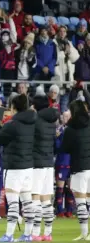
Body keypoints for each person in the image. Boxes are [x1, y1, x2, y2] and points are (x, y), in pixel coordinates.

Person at [0, 94, 36, 242]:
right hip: (28, 166)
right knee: (27, 202)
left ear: (14, 107)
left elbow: (0, 140)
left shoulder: (12, 124)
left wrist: (1, 125)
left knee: (13, 202)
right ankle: (27, 235)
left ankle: (9, 235)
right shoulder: (33, 121)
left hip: (14, 167)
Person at [30, 95, 59, 241]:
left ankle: (35, 232)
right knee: (46, 199)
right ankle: (48, 233)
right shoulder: (51, 121)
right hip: (49, 163)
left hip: (37, 163)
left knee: (35, 197)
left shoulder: (36, 121)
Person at [61, 100, 90, 241]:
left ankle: (85, 233)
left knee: (81, 201)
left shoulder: (70, 128)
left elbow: (65, 149)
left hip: (79, 167)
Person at [55, 110, 74, 218]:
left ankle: (70, 210)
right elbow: (57, 147)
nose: (65, 118)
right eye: (64, 116)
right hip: (62, 161)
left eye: (67, 116)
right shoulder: (59, 130)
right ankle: (59, 211)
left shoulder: (74, 130)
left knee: (70, 187)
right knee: (60, 187)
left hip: (72, 162)